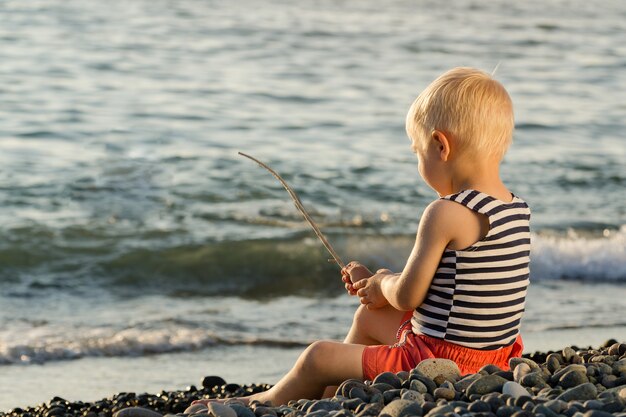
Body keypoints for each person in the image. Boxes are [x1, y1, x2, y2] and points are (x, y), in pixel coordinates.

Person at [194, 67, 530, 406]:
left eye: (417, 151)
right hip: (495, 358)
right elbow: (460, 289)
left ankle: (265, 403)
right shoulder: (516, 209)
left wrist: (383, 282)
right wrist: (376, 288)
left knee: (318, 356)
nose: (418, 161)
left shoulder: (444, 212)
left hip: (440, 362)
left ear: (440, 146)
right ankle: (325, 395)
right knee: (369, 317)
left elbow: (408, 296)